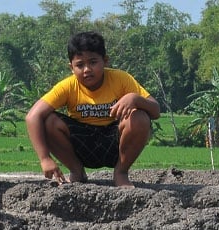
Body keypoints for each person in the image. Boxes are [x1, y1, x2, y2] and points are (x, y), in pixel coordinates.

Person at [25, 31, 161, 187]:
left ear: (105, 61)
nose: (87, 69)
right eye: (80, 65)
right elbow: (32, 117)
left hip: (114, 143)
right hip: (81, 144)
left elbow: (155, 111)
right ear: (71, 67)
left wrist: (135, 99)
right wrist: (44, 158)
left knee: (140, 117)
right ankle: (77, 171)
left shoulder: (121, 79)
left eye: (93, 62)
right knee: (49, 121)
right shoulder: (67, 86)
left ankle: (121, 173)